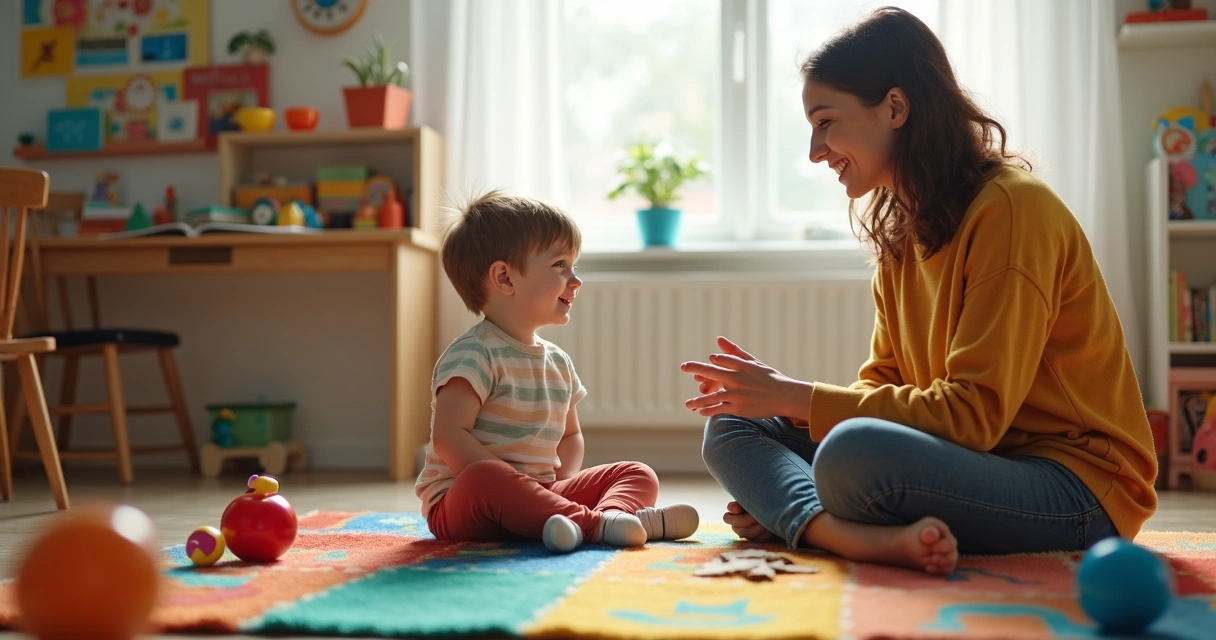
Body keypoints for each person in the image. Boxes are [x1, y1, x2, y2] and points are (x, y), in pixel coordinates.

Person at [682, 7, 1156, 576]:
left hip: (1079, 489)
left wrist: (796, 398)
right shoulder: (901, 228)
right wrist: (780, 403)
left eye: (826, 121)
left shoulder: (1012, 210)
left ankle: (802, 515)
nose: (814, 151)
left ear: (896, 107)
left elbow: (974, 415)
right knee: (733, 422)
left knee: (851, 455)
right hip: (976, 464)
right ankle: (824, 524)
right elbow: (885, 383)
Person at [416, 190, 699, 553]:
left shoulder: (559, 362)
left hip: (543, 495)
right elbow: (448, 437)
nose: (575, 279)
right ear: (504, 278)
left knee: (636, 472)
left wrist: (558, 491)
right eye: (560, 266)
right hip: (464, 503)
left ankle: (601, 517)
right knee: (486, 477)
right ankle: (595, 523)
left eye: (574, 266)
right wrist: (521, 487)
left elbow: (570, 436)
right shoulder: (474, 354)